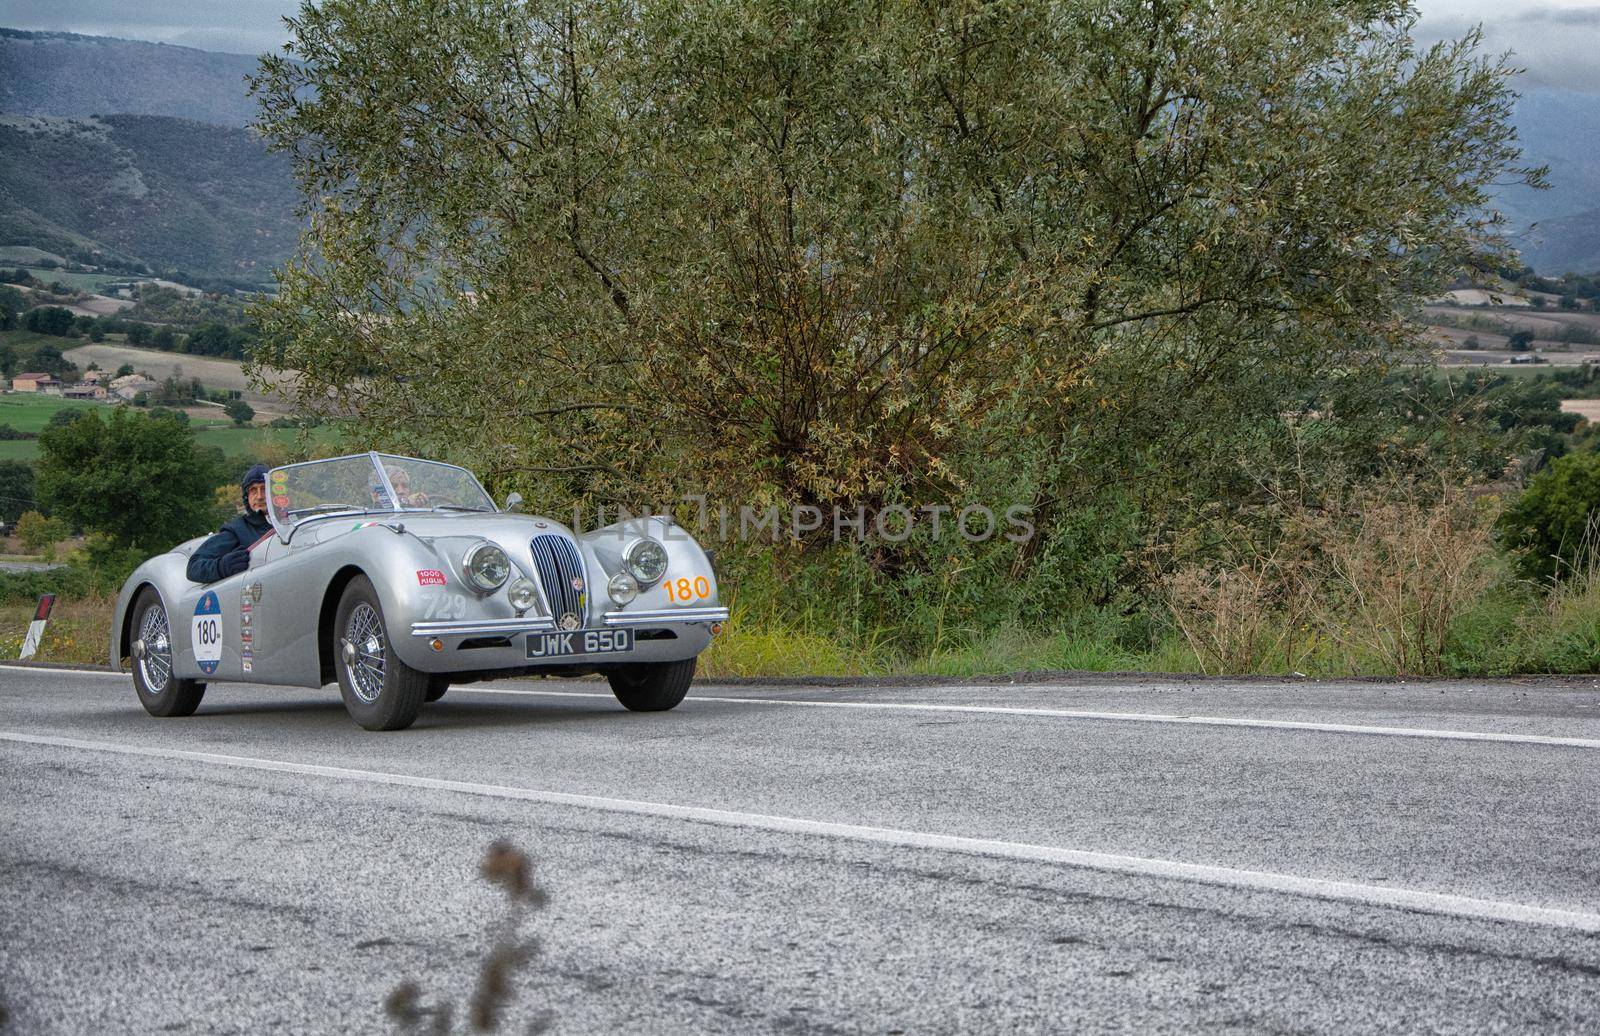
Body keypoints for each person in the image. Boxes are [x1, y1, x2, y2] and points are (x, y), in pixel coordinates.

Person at [187, 464, 273, 583]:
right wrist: (221, 567)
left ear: (275, 493)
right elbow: (194, 567)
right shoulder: (237, 530)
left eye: (264, 489)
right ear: (246, 497)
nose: (259, 497)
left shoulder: (293, 522)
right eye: (253, 490)